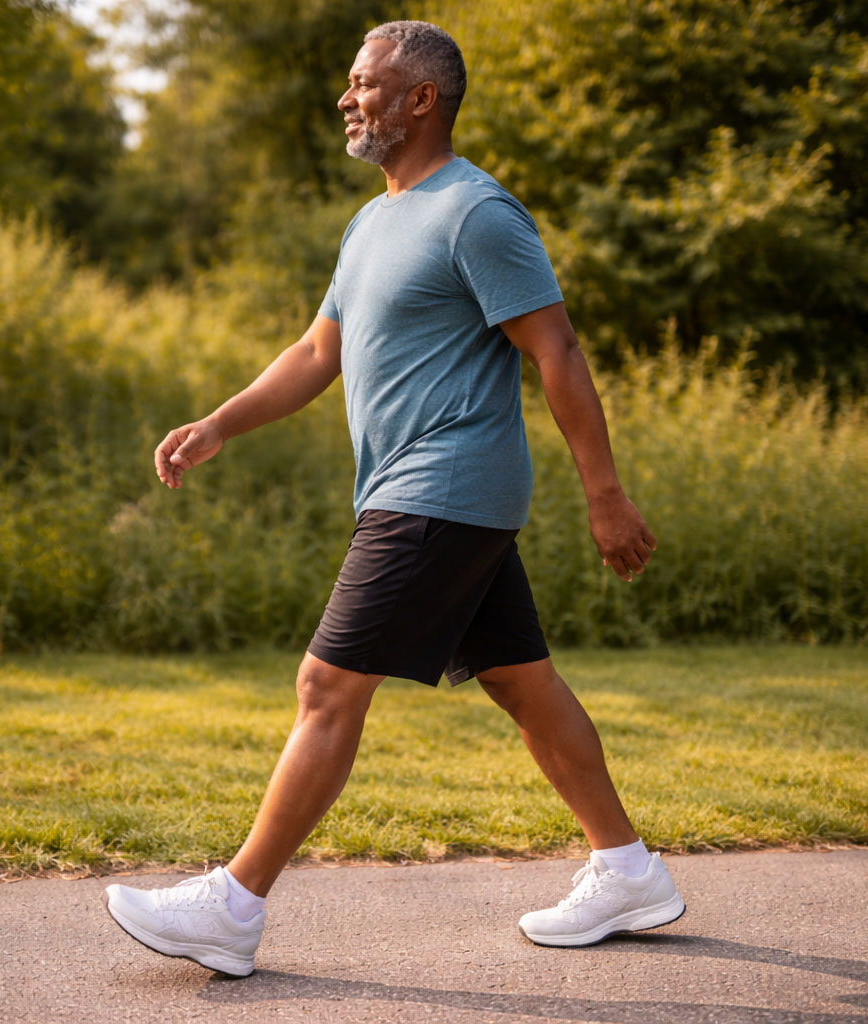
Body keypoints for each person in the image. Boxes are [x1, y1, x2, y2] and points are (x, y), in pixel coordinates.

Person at [103, 20, 684, 978]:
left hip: (443, 483)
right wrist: (220, 423)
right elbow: (316, 353)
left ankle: (234, 905)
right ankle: (629, 871)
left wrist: (607, 497)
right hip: (430, 489)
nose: (347, 98)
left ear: (421, 100)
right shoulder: (373, 221)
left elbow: (557, 353)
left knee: (327, 685)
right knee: (520, 678)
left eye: (364, 84)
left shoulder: (478, 213)